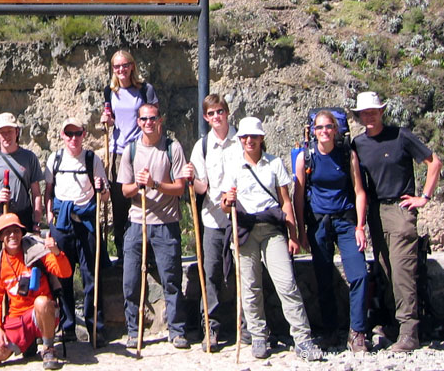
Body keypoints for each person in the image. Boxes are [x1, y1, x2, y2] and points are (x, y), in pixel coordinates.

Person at [221, 117, 322, 361]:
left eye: (253, 136)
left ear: (261, 138)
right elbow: (225, 204)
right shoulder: (234, 166)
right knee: (250, 286)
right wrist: (228, 201)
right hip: (244, 229)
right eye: (244, 137)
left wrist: (293, 235)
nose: (249, 141)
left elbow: (285, 201)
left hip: (272, 228)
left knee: (286, 283)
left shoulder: (274, 163)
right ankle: (258, 337)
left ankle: (303, 339)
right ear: (240, 140)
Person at [351, 91, 441, 352]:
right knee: (385, 270)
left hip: (401, 211)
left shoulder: (400, 136)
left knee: (402, 272)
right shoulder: (358, 144)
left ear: (381, 112)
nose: (368, 116)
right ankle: (394, 325)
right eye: (363, 113)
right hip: (375, 214)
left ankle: (409, 332)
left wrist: (423, 197)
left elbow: (434, 162)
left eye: (372, 111)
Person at [293, 110, 369, 352]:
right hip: (319, 224)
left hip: (346, 222)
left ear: (336, 130)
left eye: (328, 127)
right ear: (313, 131)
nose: (324, 131)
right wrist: (301, 231)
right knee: (324, 279)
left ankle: (357, 332)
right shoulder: (305, 158)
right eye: (319, 128)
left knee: (359, 275)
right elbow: (298, 197)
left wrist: (360, 226)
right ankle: (330, 331)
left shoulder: (347, 155)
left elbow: (359, 191)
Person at [118, 103, 189, 349]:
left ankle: (177, 330)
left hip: (166, 222)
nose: (148, 122)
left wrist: (155, 184)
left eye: (153, 118)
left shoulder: (172, 148)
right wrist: (139, 186)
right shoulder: (131, 151)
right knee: (131, 280)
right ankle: (132, 330)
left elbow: (180, 187)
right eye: (144, 118)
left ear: (160, 120)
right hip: (138, 221)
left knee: (171, 279)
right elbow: (125, 190)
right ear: (138, 122)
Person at [182, 93, 243, 349]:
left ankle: (248, 326)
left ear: (227, 112)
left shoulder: (242, 140)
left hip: (241, 216)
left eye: (220, 111)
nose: (216, 117)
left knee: (245, 270)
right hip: (212, 218)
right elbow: (201, 187)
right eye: (211, 113)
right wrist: (189, 178)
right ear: (206, 117)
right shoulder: (202, 146)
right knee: (211, 272)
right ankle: (212, 327)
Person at [44, 117, 109, 346]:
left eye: (77, 133)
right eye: (69, 134)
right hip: (62, 224)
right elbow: (49, 191)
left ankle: (95, 327)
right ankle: (68, 326)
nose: (73, 138)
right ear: (62, 135)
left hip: (87, 223)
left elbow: (105, 195)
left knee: (91, 274)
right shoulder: (55, 159)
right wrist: (49, 217)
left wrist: (101, 190)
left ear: (84, 134)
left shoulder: (92, 160)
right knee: (63, 276)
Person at [0, 213, 72, 370]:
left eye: (16, 231)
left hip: (43, 313)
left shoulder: (37, 252)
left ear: (22, 233)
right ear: (0, 237)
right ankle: (28, 343)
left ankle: (48, 348)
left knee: (42, 302)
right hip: (17, 318)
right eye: (7, 232)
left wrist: (56, 252)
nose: (13, 235)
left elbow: (65, 273)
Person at [99, 50, 158, 264]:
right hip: (117, 153)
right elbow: (110, 118)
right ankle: (124, 253)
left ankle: (147, 251)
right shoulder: (110, 91)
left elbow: (154, 117)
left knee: (145, 199)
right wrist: (106, 119)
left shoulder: (144, 90)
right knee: (119, 202)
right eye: (117, 66)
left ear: (132, 66)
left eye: (124, 65)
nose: (121, 70)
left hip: (140, 150)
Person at [0, 112, 44, 268]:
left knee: (24, 264)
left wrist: (36, 222)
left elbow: (36, 194)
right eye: (2, 132)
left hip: (22, 219)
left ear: (17, 132)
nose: (6, 136)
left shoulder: (29, 157)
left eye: (10, 131)